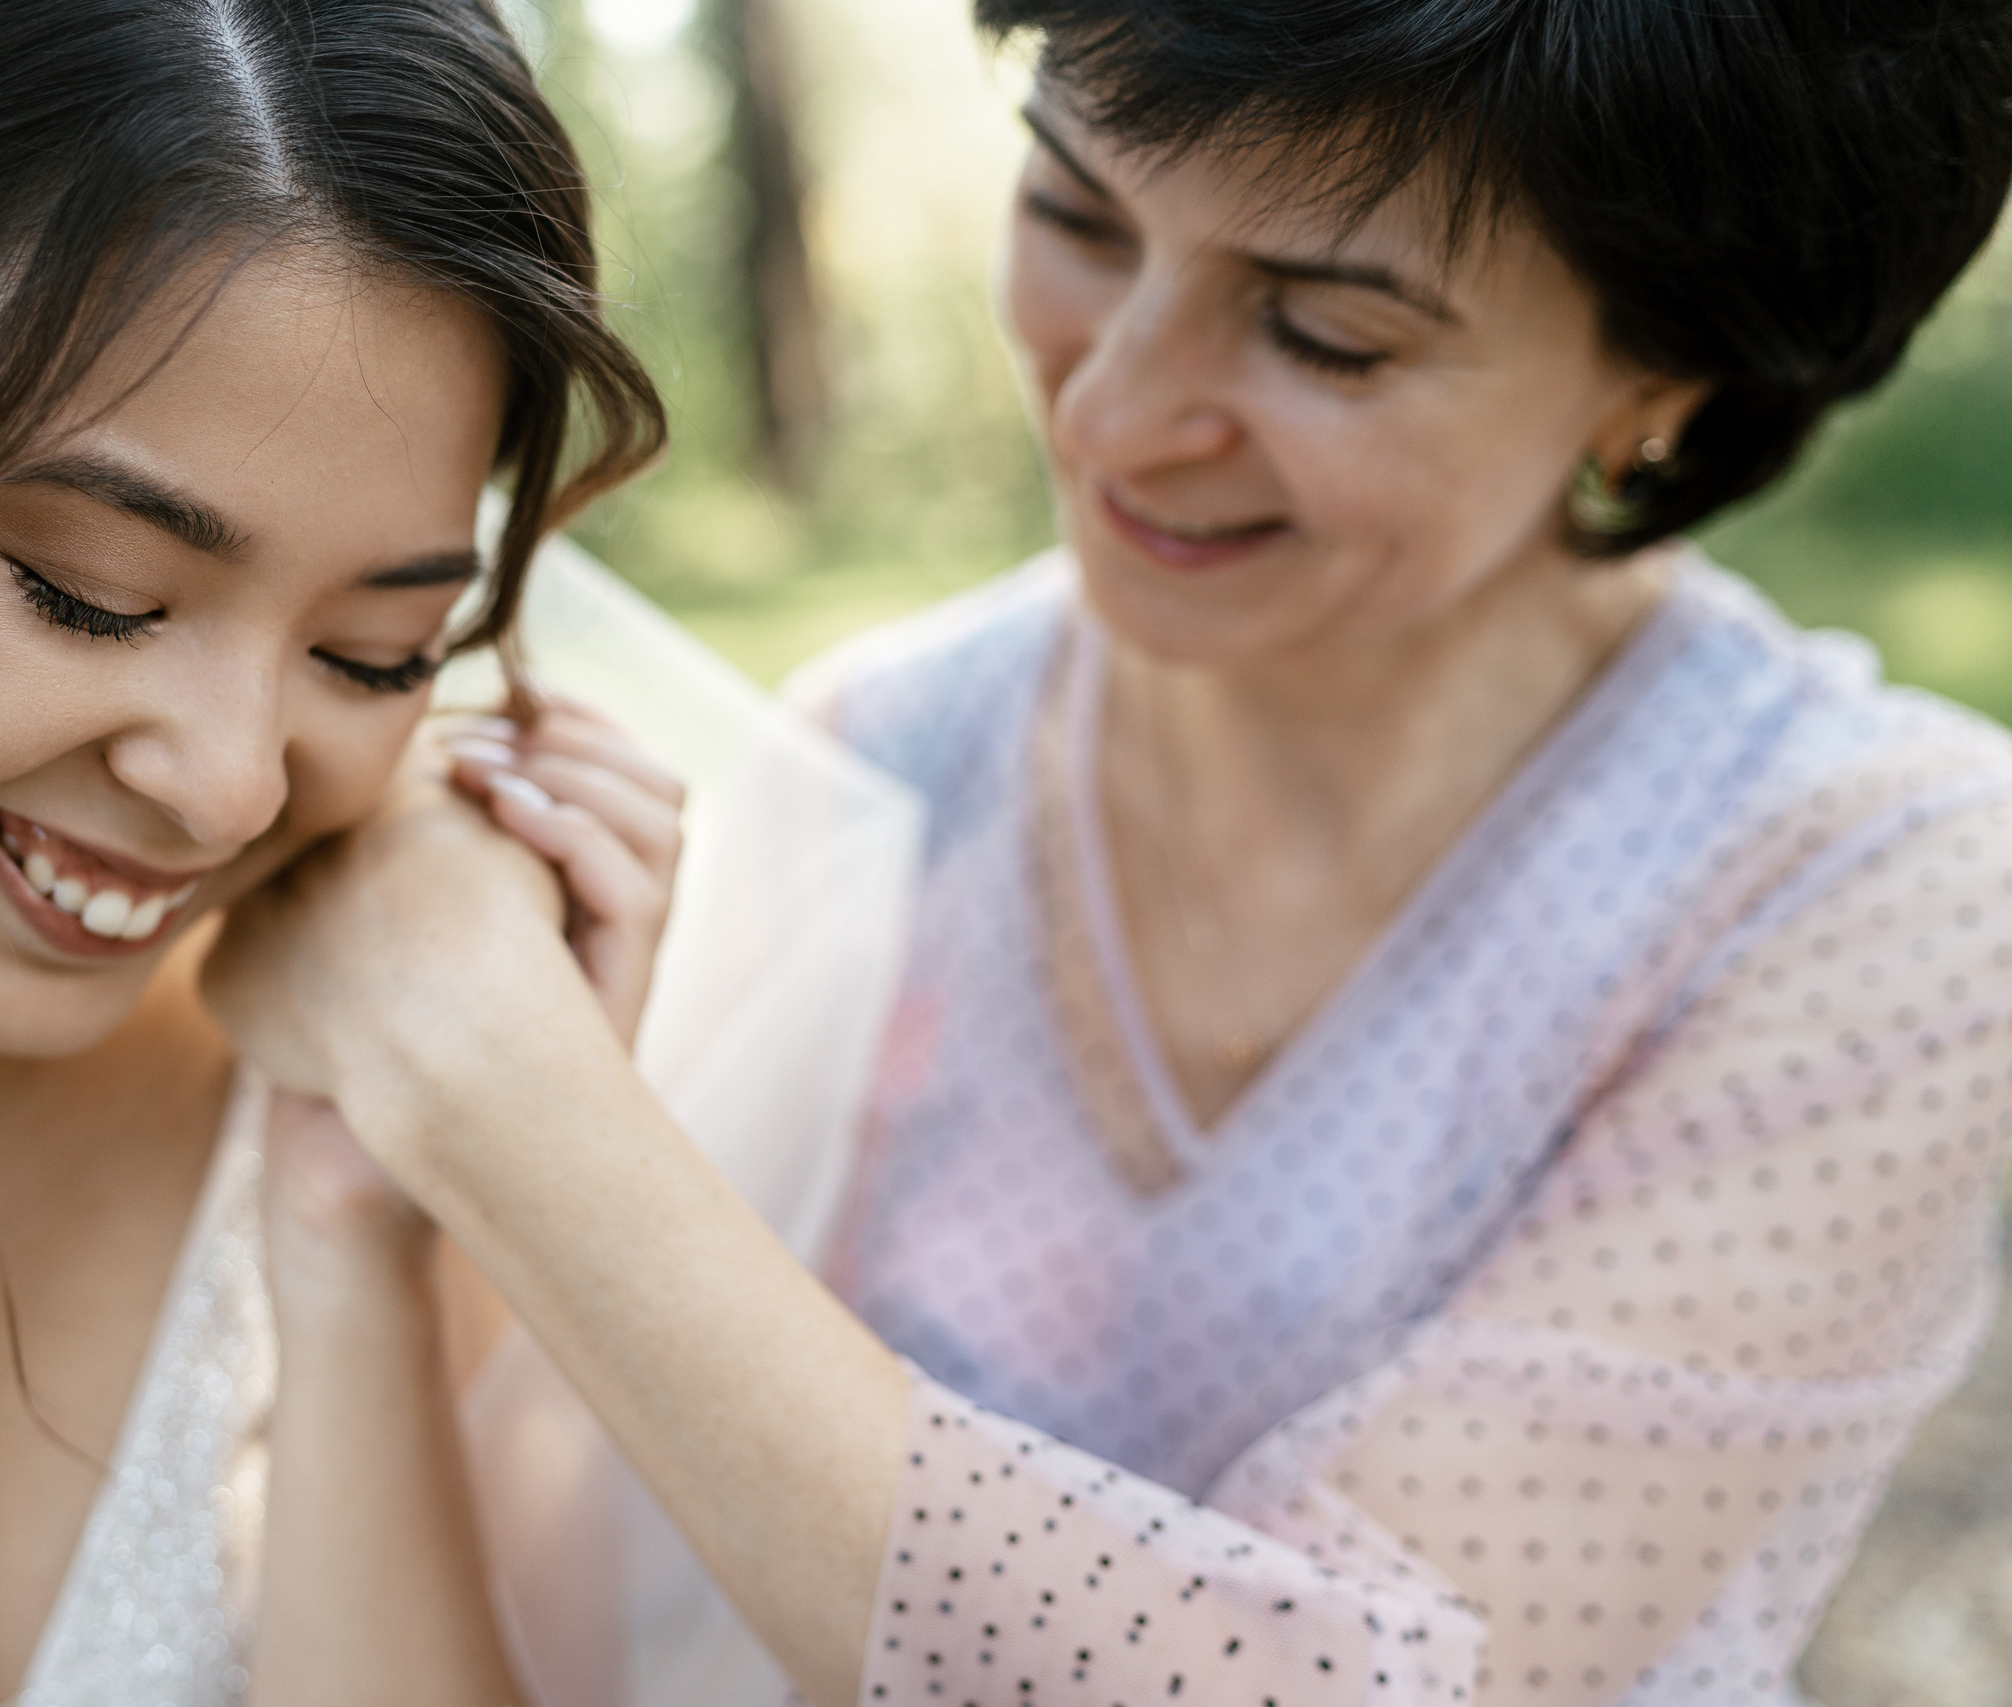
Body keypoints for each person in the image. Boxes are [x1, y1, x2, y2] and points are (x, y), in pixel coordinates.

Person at [206, 2, 2012, 1703]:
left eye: (1326, 335)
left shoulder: (1877, 897)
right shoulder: (882, 766)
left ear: (1668, 378)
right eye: (1076, 214)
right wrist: (359, 1219)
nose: (1114, 411)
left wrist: (495, 1080)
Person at [0, 2, 918, 1703]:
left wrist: (358, 1230)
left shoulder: (395, 1115)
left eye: (375, 652)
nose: (230, 792)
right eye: (94, 593)